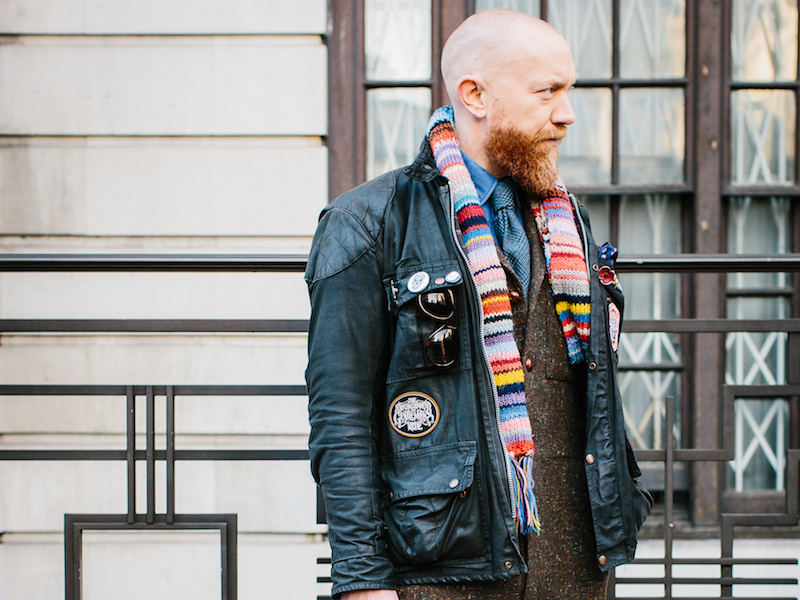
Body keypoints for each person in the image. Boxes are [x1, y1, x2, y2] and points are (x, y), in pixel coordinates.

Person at [305, 9, 652, 600]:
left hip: (576, 566)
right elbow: (341, 421)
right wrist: (362, 581)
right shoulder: (366, 223)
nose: (567, 114)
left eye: (568, 91)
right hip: (444, 571)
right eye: (547, 92)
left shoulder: (569, 222)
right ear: (474, 95)